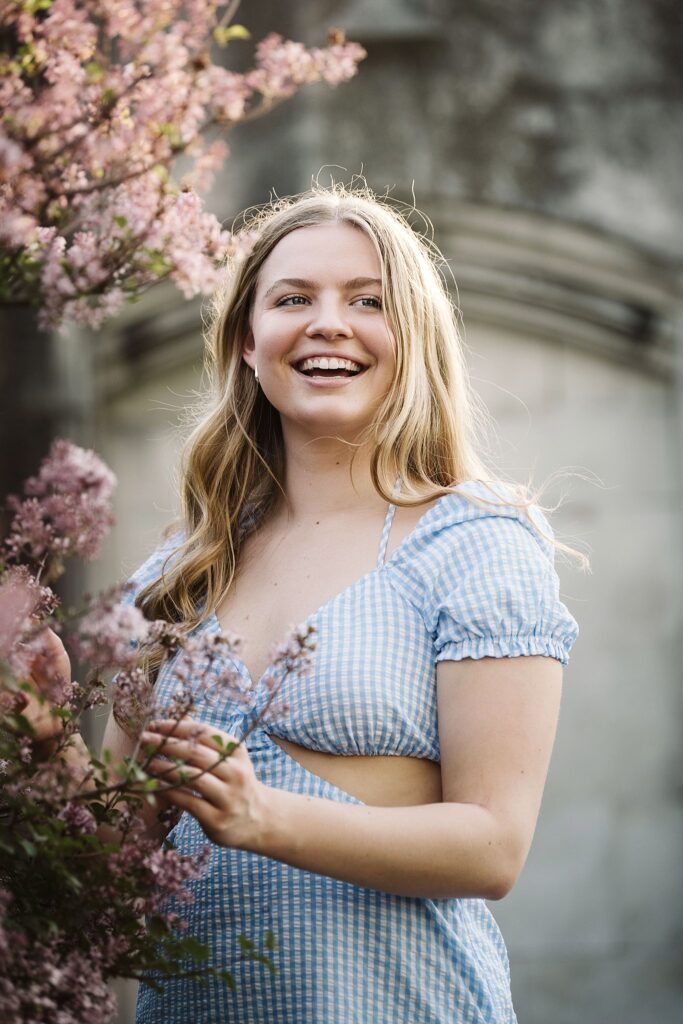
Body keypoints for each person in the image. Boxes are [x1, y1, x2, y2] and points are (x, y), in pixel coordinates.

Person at [50, 183, 583, 1022]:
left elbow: (492, 845)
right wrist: (44, 735)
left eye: (367, 301)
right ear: (246, 346)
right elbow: (110, 876)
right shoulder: (181, 572)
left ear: (411, 342)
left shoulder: (477, 545)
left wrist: (262, 815)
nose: (328, 322)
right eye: (293, 299)